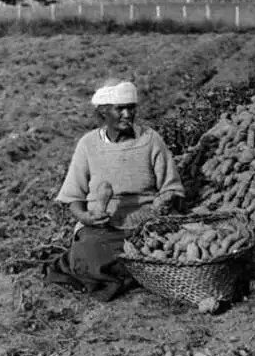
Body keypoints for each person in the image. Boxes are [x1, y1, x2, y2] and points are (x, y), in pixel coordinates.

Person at [46, 79, 185, 301]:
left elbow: (172, 187)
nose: (127, 114)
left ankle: (134, 270)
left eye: (131, 107)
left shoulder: (151, 141)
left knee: (166, 249)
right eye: (119, 109)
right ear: (103, 111)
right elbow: (74, 196)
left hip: (146, 225)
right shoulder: (88, 144)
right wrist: (86, 217)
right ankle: (136, 272)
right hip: (104, 229)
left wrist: (165, 203)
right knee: (89, 255)